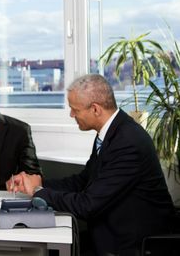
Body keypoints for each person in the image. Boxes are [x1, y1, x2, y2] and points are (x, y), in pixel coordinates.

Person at [10, 74, 174, 255]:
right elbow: (83, 181)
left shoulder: (128, 141)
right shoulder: (111, 132)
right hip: (111, 231)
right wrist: (38, 182)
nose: (72, 114)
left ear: (95, 109)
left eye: (75, 109)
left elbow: (88, 205)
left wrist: (38, 192)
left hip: (133, 244)